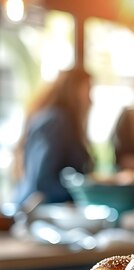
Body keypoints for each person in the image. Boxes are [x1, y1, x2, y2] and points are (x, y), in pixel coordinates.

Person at [13, 67, 93, 206]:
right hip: (42, 212)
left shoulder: (55, 118)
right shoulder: (57, 122)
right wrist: (84, 190)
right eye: (88, 90)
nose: (91, 99)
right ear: (74, 90)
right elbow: (44, 181)